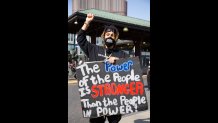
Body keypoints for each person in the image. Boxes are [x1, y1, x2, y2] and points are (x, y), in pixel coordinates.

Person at [77, 13, 129, 123]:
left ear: (116, 38)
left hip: (114, 100)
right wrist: (87, 22)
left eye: (112, 35)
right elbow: (80, 39)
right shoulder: (93, 49)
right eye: (107, 34)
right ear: (103, 36)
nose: (109, 36)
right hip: (97, 99)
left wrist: (118, 62)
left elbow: (130, 70)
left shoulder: (122, 54)